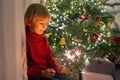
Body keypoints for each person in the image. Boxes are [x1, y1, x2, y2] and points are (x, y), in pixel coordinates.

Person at [24, 3, 71, 80]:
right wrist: (41, 73)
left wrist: (56, 68)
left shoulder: (43, 39)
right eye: (41, 23)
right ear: (29, 22)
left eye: (46, 23)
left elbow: (49, 59)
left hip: (46, 73)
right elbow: (25, 68)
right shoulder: (26, 40)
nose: (44, 26)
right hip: (37, 76)